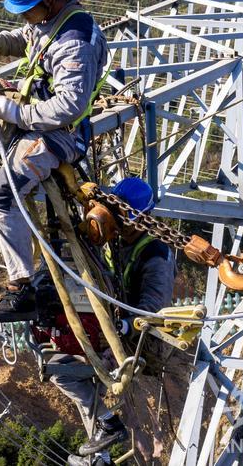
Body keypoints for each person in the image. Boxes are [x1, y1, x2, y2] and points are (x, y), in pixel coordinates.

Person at [0, 0, 108, 321]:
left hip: (60, 134)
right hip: (35, 117)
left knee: (3, 196)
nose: (24, 17)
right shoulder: (50, 20)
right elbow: (28, 38)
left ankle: (20, 286)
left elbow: (69, 106)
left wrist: (16, 113)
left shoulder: (75, 41)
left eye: (27, 9)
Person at [48, 177, 176, 464]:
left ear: (141, 218)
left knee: (63, 372)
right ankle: (101, 453)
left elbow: (154, 304)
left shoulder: (156, 252)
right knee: (78, 370)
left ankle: (107, 430)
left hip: (142, 340)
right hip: (119, 332)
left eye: (123, 217)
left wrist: (124, 327)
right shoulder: (119, 239)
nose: (117, 223)